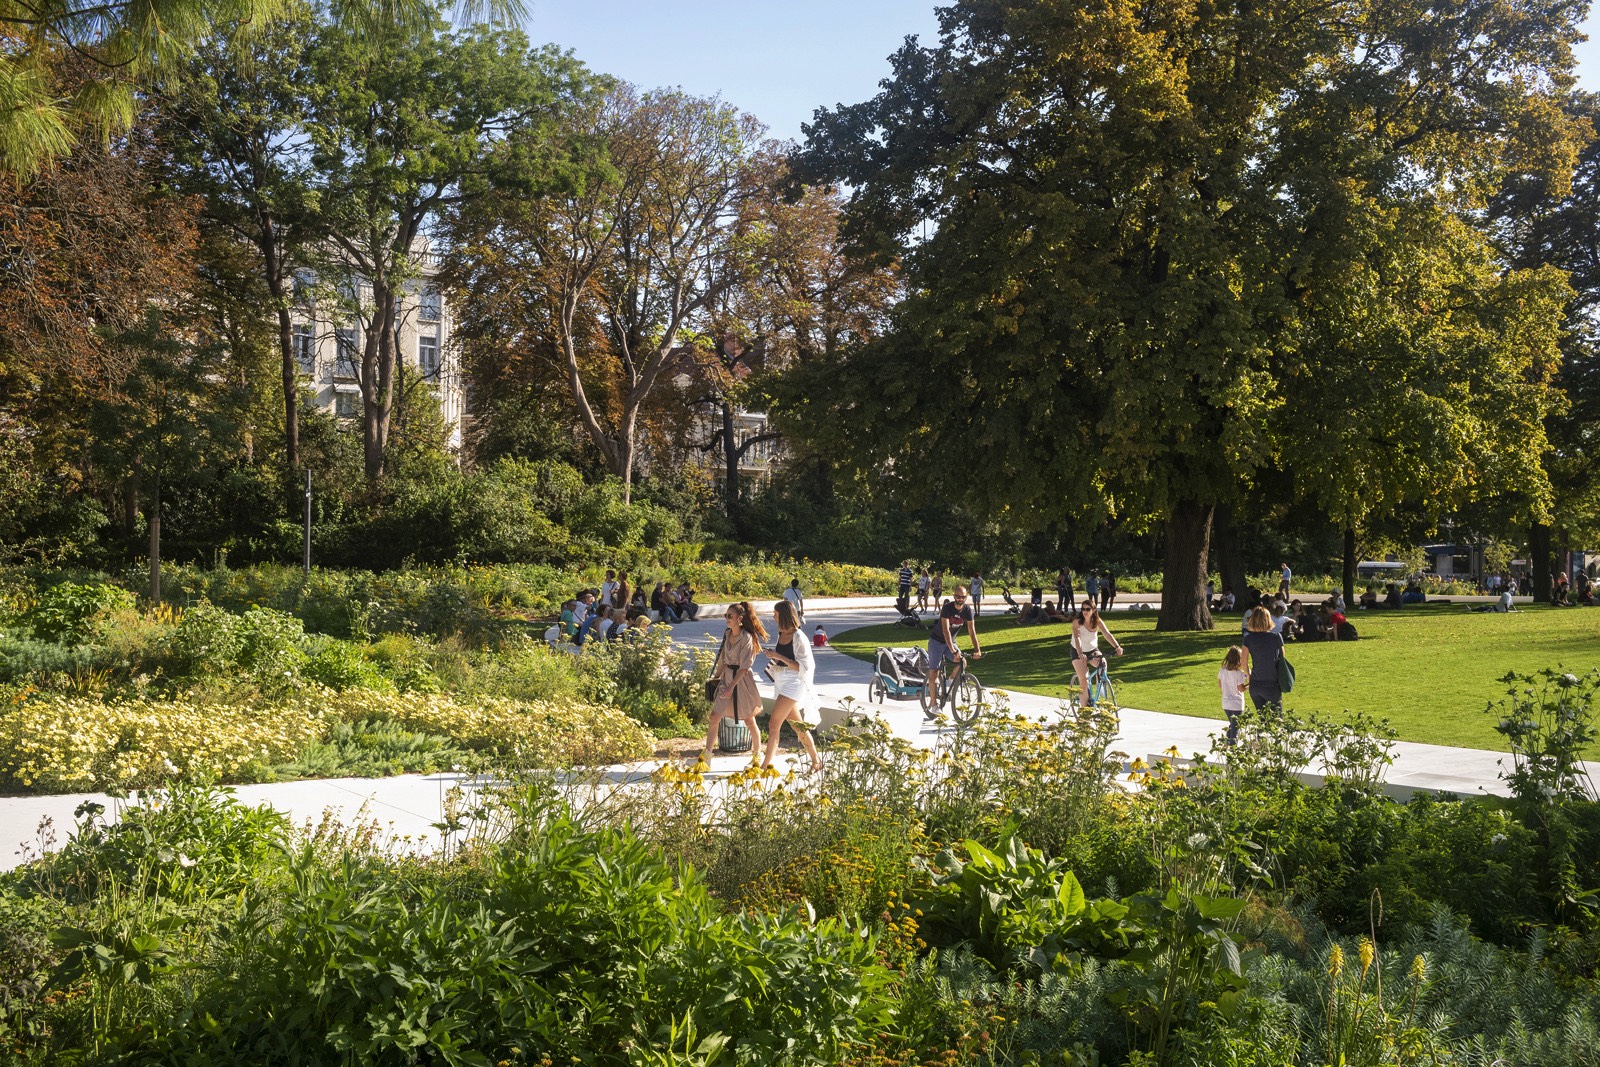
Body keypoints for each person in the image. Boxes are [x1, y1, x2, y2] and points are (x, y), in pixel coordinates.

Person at [761, 599, 824, 773]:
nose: (773, 617)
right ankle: (816, 760)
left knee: (774, 724)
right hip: (781, 682)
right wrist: (773, 657)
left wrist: (778, 656)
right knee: (798, 727)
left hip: (794, 683)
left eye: (775, 614)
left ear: (784, 615)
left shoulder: (799, 637)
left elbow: (804, 666)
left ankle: (765, 765)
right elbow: (782, 657)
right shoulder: (782, 633)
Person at [702, 601, 766, 761]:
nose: (727, 618)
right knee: (714, 717)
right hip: (727, 678)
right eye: (726, 615)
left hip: (742, 681)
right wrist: (716, 678)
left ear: (740, 618)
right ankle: (707, 757)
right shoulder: (727, 633)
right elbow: (723, 660)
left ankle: (757, 756)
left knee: (749, 719)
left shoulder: (747, 638)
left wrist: (731, 687)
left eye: (730, 616)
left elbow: (745, 667)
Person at [925, 585, 981, 715]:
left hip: (951, 642)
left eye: (963, 597)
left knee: (963, 663)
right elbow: (946, 631)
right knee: (934, 673)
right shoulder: (947, 608)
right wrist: (953, 650)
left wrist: (977, 650)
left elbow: (972, 631)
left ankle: (950, 681)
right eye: (958, 596)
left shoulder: (967, 610)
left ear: (966, 597)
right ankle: (933, 705)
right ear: (954, 596)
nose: (960, 599)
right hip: (937, 641)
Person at [1070, 602, 1123, 708]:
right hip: (1077, 651)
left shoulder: (1097, 621)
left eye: (1088, 609)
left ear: (1094, 610)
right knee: (1084, 680)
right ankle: (1084, 712)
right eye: (1083, 609)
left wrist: (1117, 647)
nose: (1085, 611)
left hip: (1092, 650)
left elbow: (1107, 634)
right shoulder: (1077, 622)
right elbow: (1077, 638)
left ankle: (1101, 685)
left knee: (1102, 663)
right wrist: (1080, 653)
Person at [1240, 606, 1286, 711]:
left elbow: (1244, 662)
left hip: (1255, 683)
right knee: (1277, 719)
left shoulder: (1248, 639)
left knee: (1263, 719)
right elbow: (1283, 659)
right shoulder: (1276, 637)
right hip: (1272, 682)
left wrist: (1249, 677)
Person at [1218, 646, 1249, 745]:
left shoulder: (1222, 671)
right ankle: (1232, 745)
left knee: (1232, 724)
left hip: (1226, 703)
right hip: (1236, 704)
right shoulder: (1239, 673)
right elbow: (1241, 689)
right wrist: (1249, 684)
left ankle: (1226, 743)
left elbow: (1220, 685)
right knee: (1235, 727)